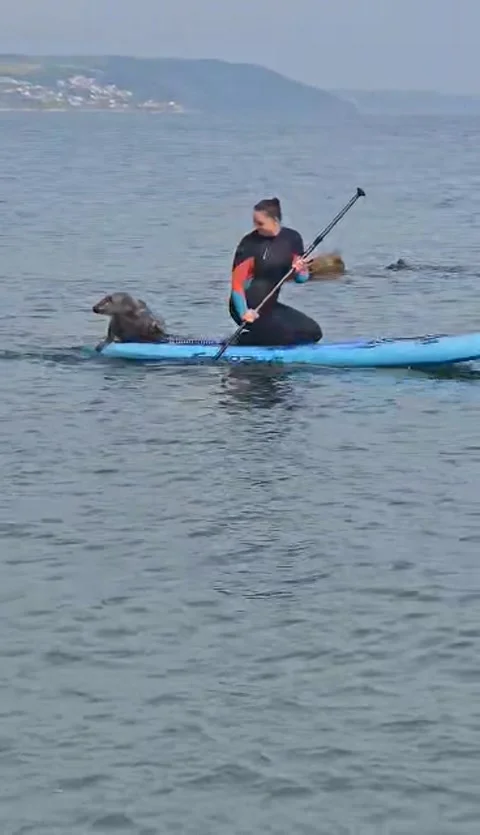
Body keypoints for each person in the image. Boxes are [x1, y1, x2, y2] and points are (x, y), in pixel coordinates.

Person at [228, 197, 322, 346]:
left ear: (275, 220)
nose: (256, 226)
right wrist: (244, 313)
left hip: (270, 307)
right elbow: (237, 285)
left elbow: (301, 279)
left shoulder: (292, 238)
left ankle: (265, 338)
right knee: (285, 336)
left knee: (314, 332)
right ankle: (241, 342)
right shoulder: (249, 244)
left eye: (260, 223)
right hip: (248, 308)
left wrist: (301, 270)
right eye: (255, 222)